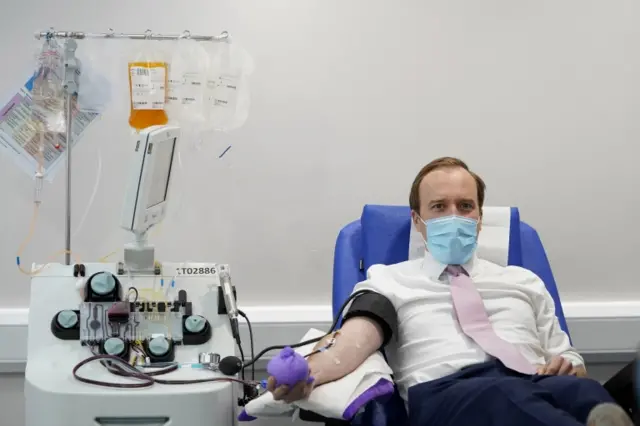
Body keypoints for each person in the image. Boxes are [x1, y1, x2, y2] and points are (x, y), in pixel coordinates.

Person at [267, 157, 634, 426]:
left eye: (465, 206)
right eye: (439, 207)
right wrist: (304, 374)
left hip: (535, 381)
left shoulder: (524, 282)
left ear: (479, 217)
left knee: (582, 395)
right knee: (501, 395)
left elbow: (568, 357)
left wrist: (569, 368)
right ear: (417, 220)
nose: (454, 216)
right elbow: (349, 342)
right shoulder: (387, 281)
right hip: (444, 395)